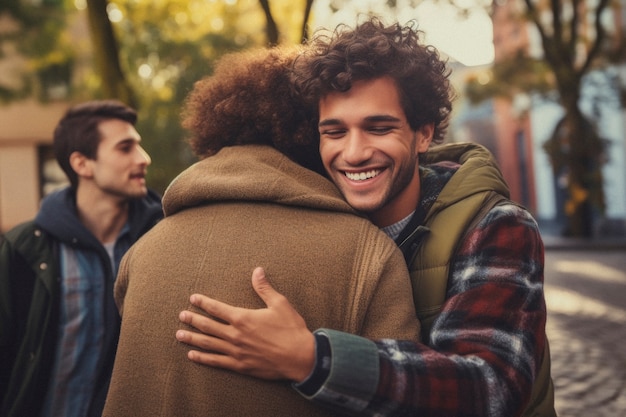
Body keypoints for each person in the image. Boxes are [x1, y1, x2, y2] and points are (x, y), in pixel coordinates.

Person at [175, 17, 556, 417]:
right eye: (335, 132)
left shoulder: (496, 226)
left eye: (378, 128)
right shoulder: (323, 227)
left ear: (423, 133)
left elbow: (490, 388)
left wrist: (312, 359)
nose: (354, 153)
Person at [101, 47, 420, 417]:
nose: (353, 151)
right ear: (311, 134)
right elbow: (407, 399)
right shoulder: (368, 254)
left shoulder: (142, 252)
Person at [0, 100, 162, 417]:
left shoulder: (159, 243)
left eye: (139, 146)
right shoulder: (24, 247)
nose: (144, 159)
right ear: (82, 164)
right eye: (125, 148)